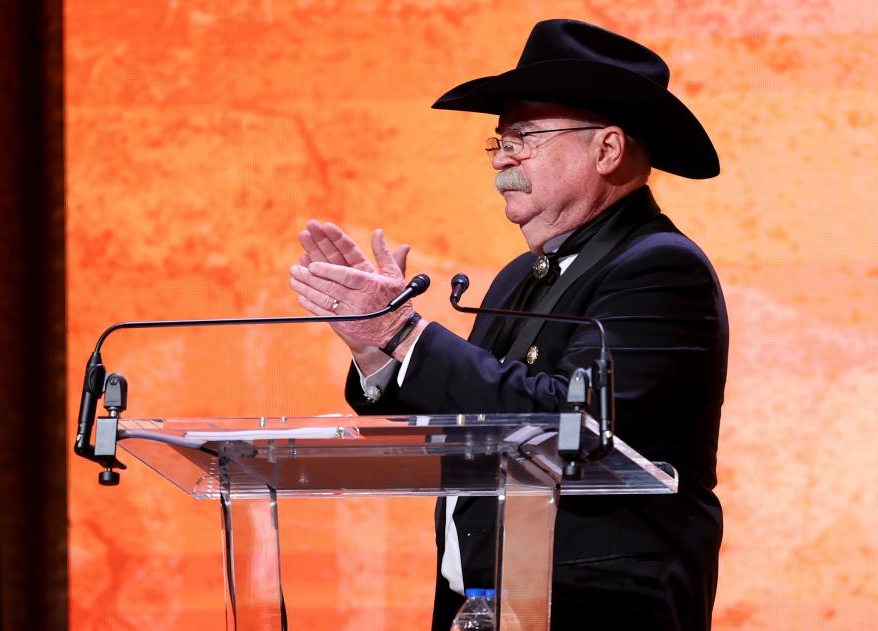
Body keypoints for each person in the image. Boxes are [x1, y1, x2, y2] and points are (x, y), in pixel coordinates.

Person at [288, 19, 728, 631]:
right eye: (499, 140)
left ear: (607, 149)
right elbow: (467, 421)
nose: (504, 157)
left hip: (600, 608)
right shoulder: (517, 276)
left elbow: (572, 426)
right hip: (483, 607)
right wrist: (375, 350)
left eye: (526, 136)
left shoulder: (660, 268)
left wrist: (402, 334)